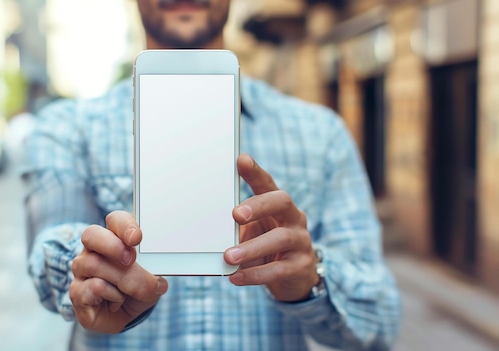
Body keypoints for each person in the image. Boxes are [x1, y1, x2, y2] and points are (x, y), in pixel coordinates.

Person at [22, 0, 401, 350]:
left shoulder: (322, 133)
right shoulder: (66, 128)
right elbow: (50, 247)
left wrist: (311, 279)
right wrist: (88, 271)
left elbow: (380, 321)